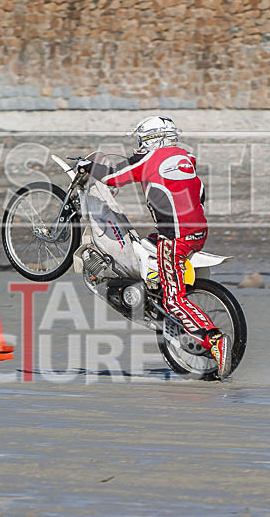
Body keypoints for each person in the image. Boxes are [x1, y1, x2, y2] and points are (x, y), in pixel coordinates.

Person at [81, 116, 232, 378]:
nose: (138, 145)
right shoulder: (186, 158)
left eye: (141, 140)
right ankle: (155, 283)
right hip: (198, 231)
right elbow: (201, 193)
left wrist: (89, 166)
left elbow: (114, 177)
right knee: (148, 244)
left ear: (152, 139)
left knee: (174, 300)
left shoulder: (150, 159)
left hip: (175, 238)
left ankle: (212, 338)